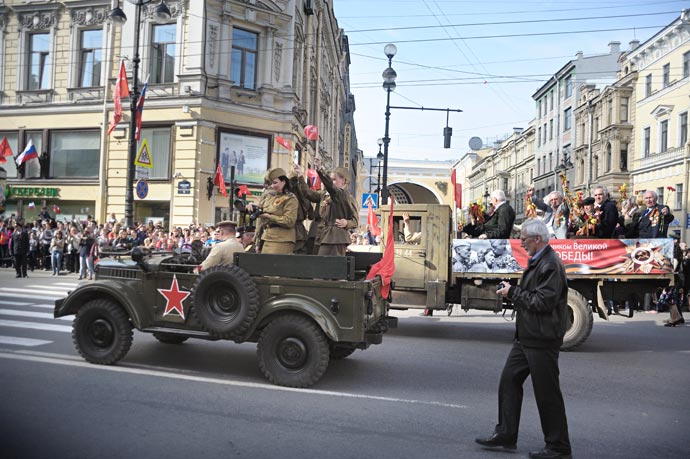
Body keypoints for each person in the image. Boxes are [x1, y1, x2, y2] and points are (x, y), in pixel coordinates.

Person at [476, 218, 572, 459]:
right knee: (508, 382)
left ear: (537, 239)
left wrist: (513, 292)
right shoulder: (540, 260)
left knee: (547, 394)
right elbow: (534, 295)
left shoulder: (550, 264)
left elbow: (542, 302)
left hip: (541, 339)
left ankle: (559, 448)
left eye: (524, 240)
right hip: (528, 337)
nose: (521, 243)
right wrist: (514, 290)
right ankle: (506, 434)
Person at [245, 168, 298, 254]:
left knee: (274, 266)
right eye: (271, 183)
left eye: (275, 183)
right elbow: (261, 216)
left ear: (284, 182)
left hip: (282, 239)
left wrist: (269, 216)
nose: (272, 186)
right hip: (266, 237)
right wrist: (253, 207)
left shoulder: (290, 199)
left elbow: (290, 221)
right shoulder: (269, 196)